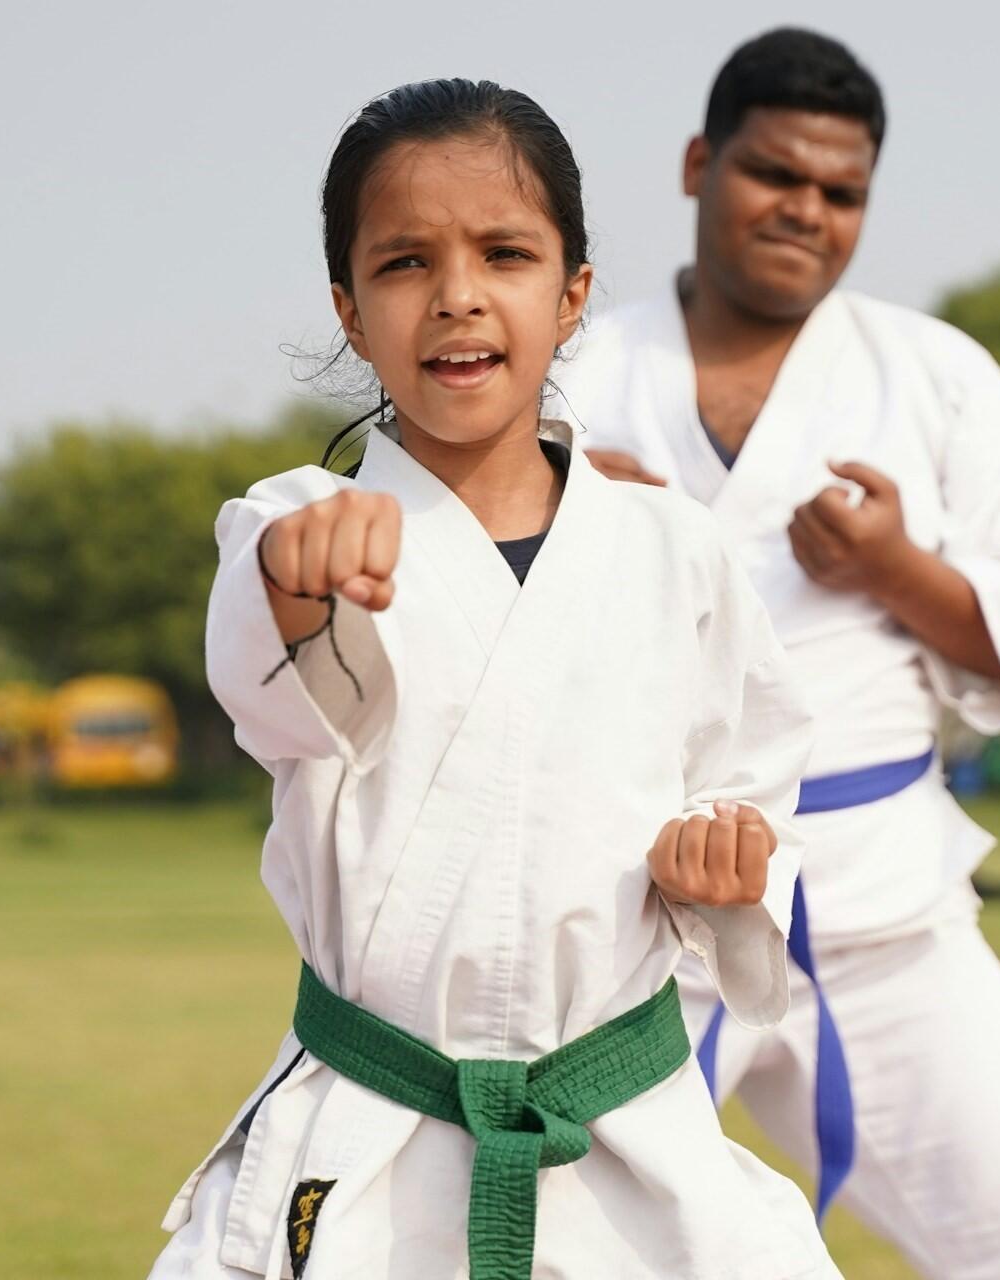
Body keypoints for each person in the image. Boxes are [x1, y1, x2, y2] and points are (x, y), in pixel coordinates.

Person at [149, 78, 839, 1280]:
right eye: (406, 261)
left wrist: (723, 864)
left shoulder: (674, 551)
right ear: (351, 311)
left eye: (505, 253)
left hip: (619, 1126)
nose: (458, 294)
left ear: (571, 295)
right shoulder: (301, 518)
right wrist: (293, 579)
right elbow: (271, 682)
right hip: (374, 1132)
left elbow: (750, 786)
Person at [557, 29, 1000, 1279]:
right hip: (618, 917)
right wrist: (566, 518)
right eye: (773, 175)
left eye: (841, 193)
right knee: (514, 1244)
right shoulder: (570, 375)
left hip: (876, 913)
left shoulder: (941, 381)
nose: (806, 211)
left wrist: (891, 566)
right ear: (698, 165)